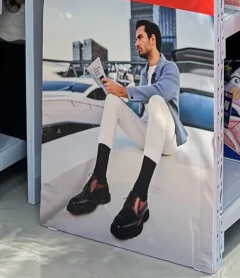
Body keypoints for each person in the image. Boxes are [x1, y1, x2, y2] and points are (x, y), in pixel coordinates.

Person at [65, 19, 187, 241]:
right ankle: (99, 182)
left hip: (167, 140)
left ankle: (140, 196)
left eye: (140, 37)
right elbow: (136, 105)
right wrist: (115, 91)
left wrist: (125, 91)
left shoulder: (170, 68)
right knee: (112, 100)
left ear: (152, 39)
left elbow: (163, 91)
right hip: (147, 133)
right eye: (135, 39)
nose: (136, 43)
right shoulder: (143, 71)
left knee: (156, 100)